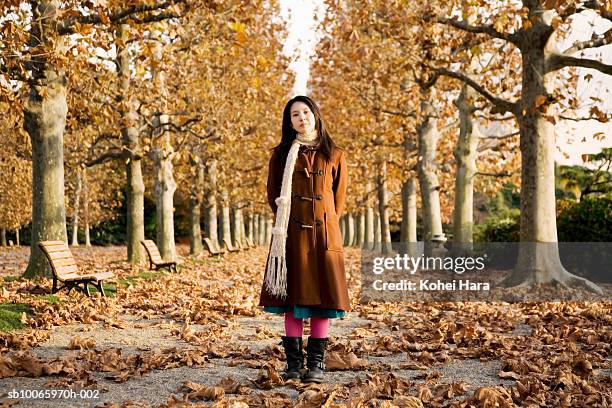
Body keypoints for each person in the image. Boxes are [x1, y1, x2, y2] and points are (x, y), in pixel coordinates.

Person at [259, 95, 350, 384]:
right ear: (290, 122)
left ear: (315, 115)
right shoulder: (282, 154)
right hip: (291, 237)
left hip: (324, 237)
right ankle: (293, 364)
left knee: (323, 301)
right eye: (295, 114)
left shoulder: (334, 154)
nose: (302, 118)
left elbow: (339, 200)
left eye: (306, 112)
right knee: (293, 300)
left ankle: (317, 364)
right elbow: (274, 194)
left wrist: (322, 220)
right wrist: (292, 220)